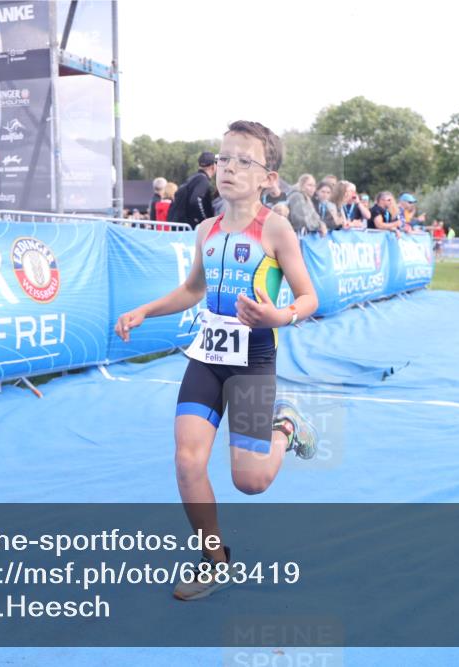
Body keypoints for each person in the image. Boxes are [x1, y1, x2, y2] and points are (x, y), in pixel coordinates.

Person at [113, 120, 319, 601]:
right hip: (208, 357)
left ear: (268, 178)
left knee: (251, 481)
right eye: (224, 157)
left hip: (253, 359)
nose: (229, 167)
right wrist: (145, 310)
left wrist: (279, 315)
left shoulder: (276, 228)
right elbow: (193, 289)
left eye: (244, 160)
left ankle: (286, 426)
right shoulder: (205, 229)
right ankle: (214, 561)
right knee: (187, 462)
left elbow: (309, 297)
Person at [168, 151, 217, 229]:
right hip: (188, 229)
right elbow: (196, 200)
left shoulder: (192, 179)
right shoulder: (202, 180)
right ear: (213, 166)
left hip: (178, 225)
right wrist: (205, 220)